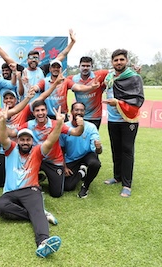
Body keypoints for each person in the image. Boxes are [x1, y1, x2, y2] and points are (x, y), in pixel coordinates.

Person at [0, 104, 64, 258]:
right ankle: (38, 215)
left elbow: (51, 140)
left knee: (36, 210)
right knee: (0, 206)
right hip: (11, 192)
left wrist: (59, 123)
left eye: (28, 140)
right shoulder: (10, 149)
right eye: (22, 139)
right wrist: (2, 121)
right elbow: (3, 136)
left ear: (32, 141)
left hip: (31, 190)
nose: (25, 142)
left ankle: (43, 242)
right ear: (18, 140)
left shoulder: (37, 151)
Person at [15, 100, 84, 198]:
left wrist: (81, 125)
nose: (40, 113)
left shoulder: (56, 124)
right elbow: (13, 133)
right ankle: (37, 176)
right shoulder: (29, 125)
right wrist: (3, 121)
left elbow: (77, 132)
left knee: (57, 194)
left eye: (42, 110)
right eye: (37, 111)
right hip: (35, 160)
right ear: (33, 113)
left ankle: (79, 173)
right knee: (22, 186)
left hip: (54, 161)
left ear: (47, 111)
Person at [0, 29, 76, 102]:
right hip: (25, 107)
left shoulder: (43, 70)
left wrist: (72, 42)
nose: (33, 60)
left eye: (36, 58)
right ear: (27, 60)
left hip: (39, 107)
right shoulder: (22, 70)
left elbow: (61, 56)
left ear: (39, 60)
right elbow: (6, 58)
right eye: (31, 58)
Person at [102, 49, 144, 198]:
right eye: (116, 60)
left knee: (127, 150)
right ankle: (117, 176)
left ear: (126, 60)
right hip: (112, 119)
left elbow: (138, 99)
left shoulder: (134, 78)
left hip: (128, 120)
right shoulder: (109, 77)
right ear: (112, 62)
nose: (118, 62)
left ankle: (127, 184)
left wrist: (117, 102)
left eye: (121, 60)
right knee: (115, 148)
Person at [33, 59, 101, 121]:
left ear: (61, 69)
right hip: (47, 115)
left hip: (62, 115)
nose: (55, 69)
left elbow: (79, 87)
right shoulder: (44, 81)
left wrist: (91, 87)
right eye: (53, 67)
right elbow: (35, 88)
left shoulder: (66, 81)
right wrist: (31, 88)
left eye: (58, 67)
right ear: (50, 69)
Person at [60, 102, 102, 198]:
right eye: (76, 110)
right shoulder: (65, 127)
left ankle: (85, 186)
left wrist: (99, 147)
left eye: (81, 110)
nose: (79, 112)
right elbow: (61, 149)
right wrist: (64, 167)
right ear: (71, 112)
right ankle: (82, 172)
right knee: (68, 186)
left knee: (95, 164)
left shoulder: (91, 127)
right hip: (72, 158)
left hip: (87, 155)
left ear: (84, 112)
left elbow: (97, 151)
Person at [67, 56, 110, 129]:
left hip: (95, 116)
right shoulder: (72, 79)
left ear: (92, 67)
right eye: (83, 65)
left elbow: (115, 73)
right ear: (79, 66)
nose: (85, 68)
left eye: (88, 66)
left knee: (92, 138)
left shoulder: (99, 75)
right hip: (79, 115)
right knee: (78, 139)